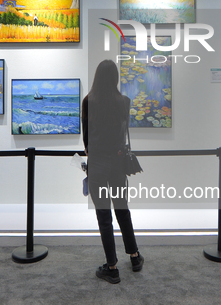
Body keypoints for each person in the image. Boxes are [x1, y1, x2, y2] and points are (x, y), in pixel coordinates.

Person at [81, 59, 144, 284]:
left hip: (97, 164)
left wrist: (93, 153)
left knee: (104, 216)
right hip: (117, 164)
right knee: (122, 209)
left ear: (97, 77)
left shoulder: (88, 101)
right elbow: (122, 133)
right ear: (115, 78)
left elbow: (86, 140)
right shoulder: (124, 101)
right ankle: (135, 256)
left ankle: (112, 267)